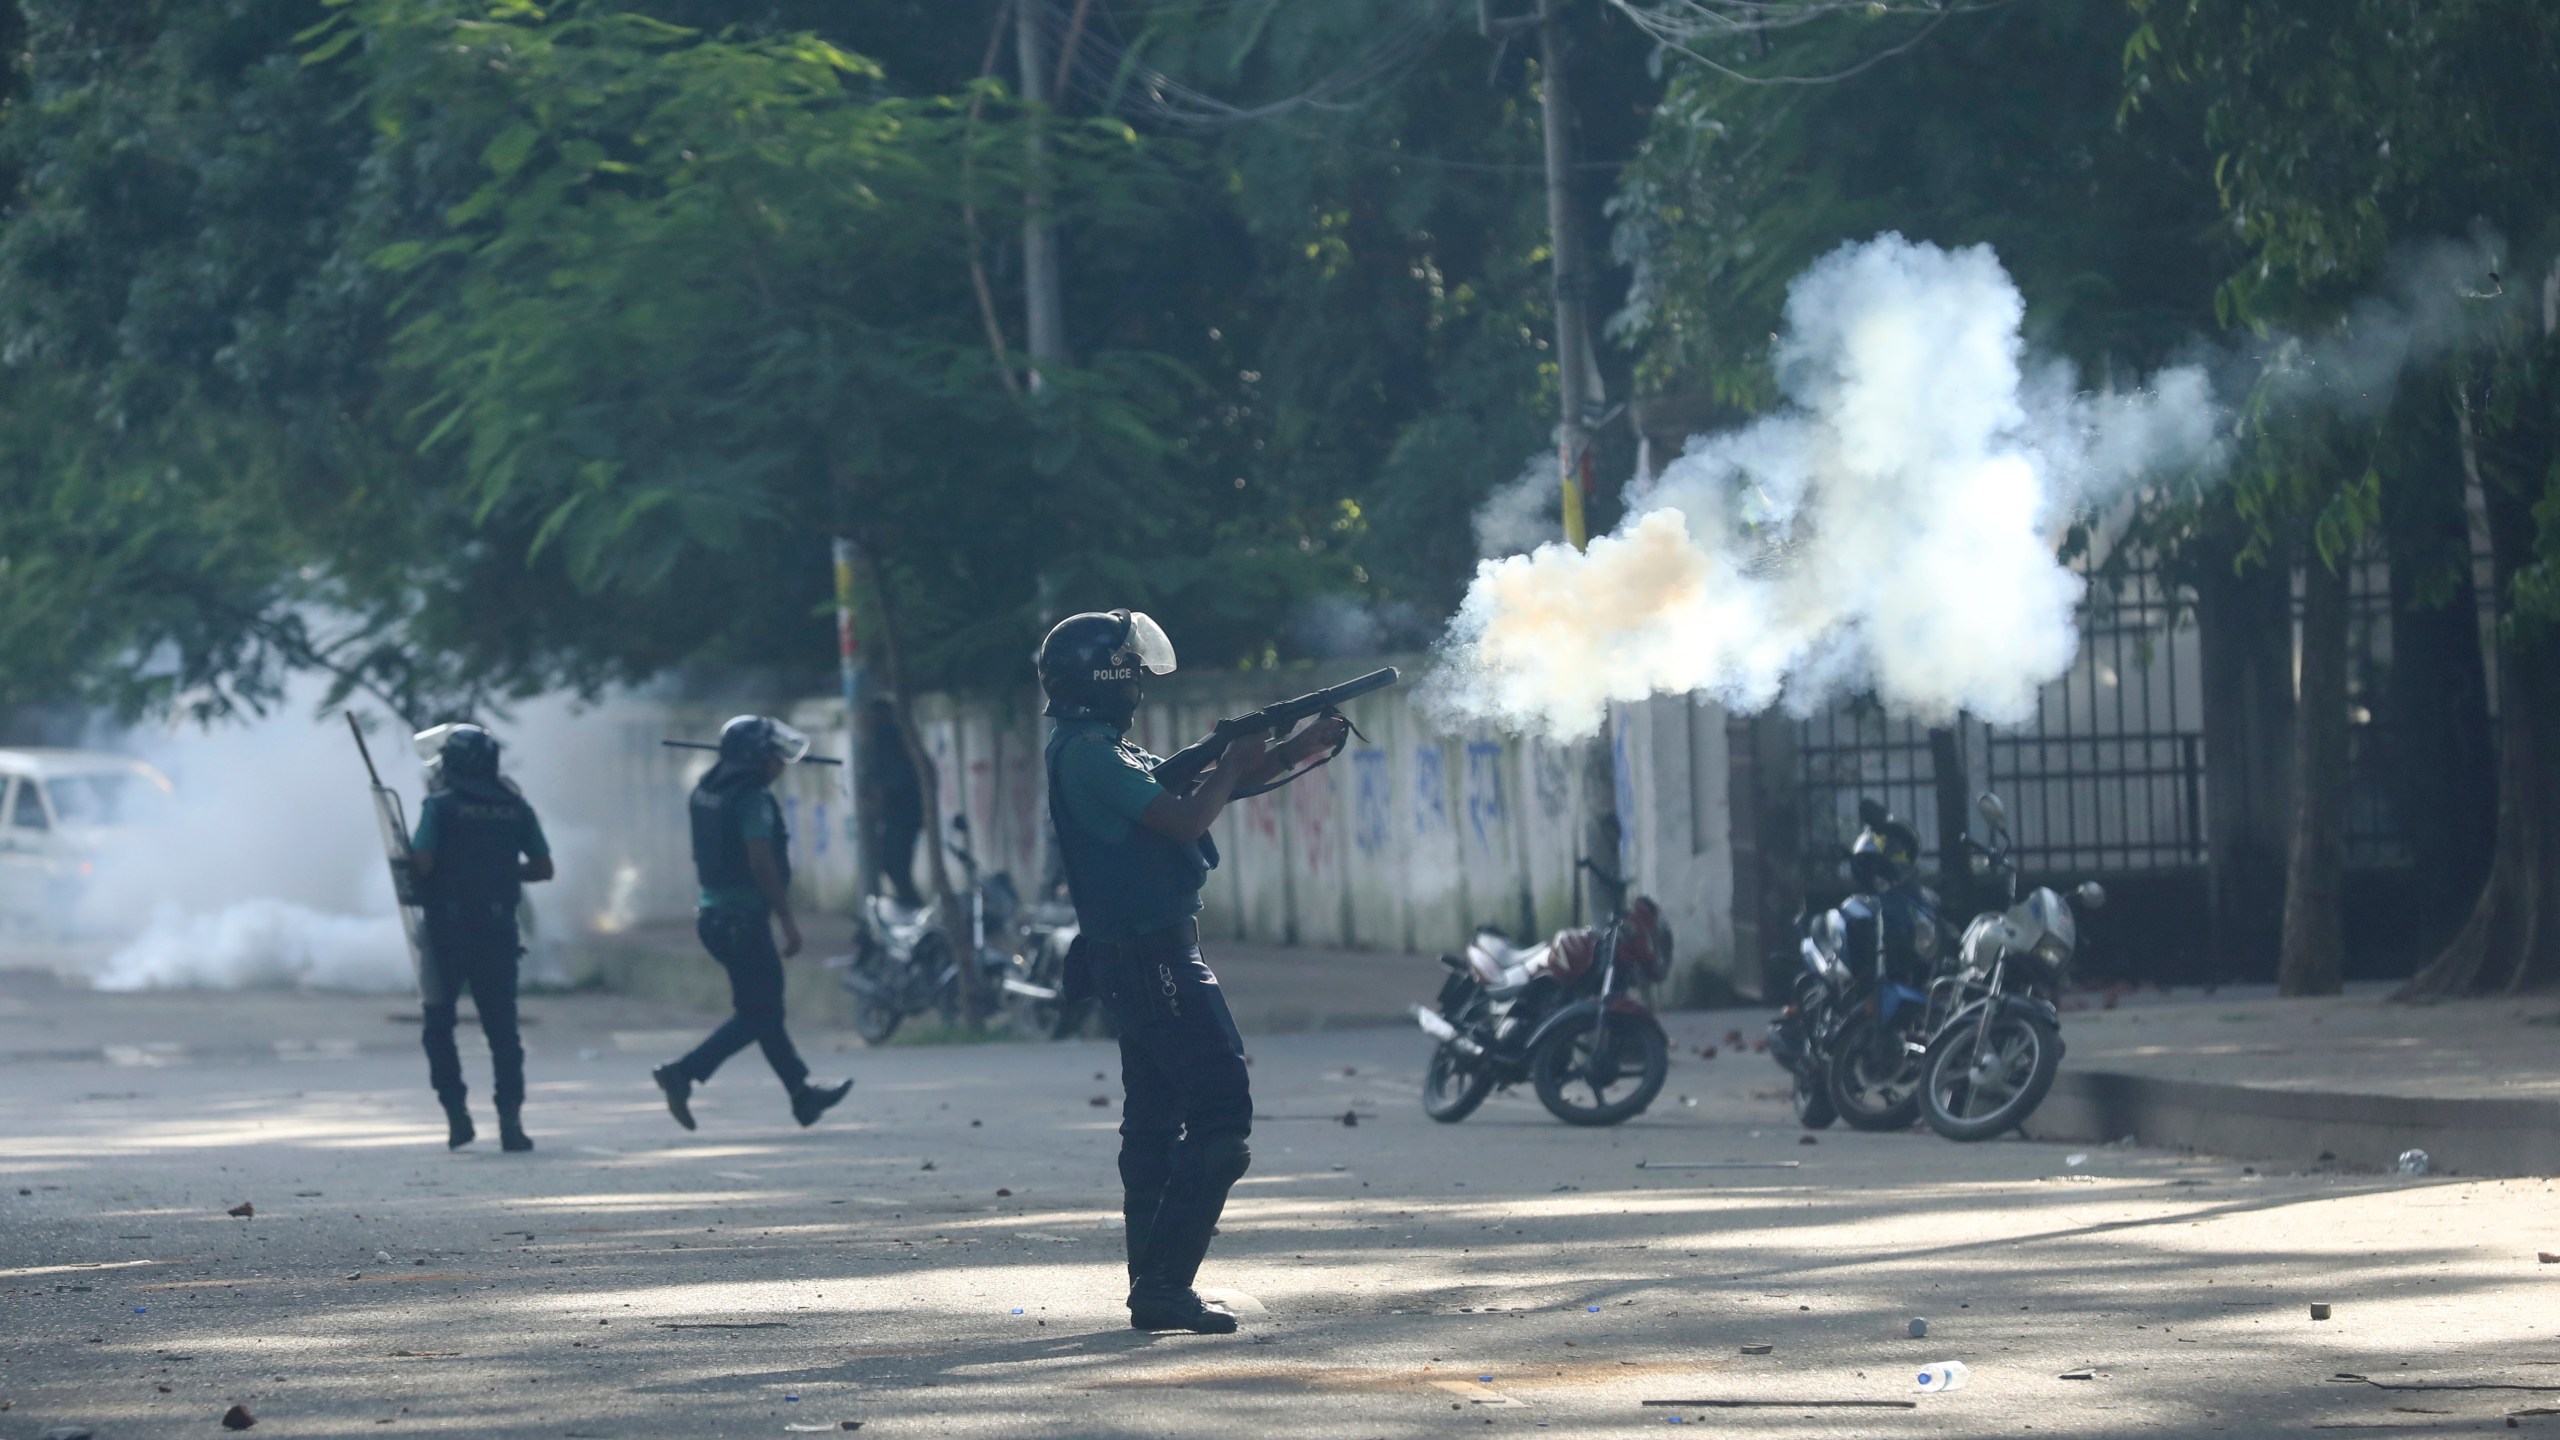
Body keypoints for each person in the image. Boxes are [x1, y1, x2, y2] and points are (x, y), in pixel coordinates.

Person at [1038, 609, 1349, 1334]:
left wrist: (1295, 749)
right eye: (1132, 670)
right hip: (1153, 957)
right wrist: (1235, 759)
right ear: (1109, 677)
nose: (1141, 683)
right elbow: (1183, 820)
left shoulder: (1099, 749)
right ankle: (1165, 1285)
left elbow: (1204, 792)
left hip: (1143, 957)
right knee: (1220, 1114)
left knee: (1153, 1121)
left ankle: (1154, 1283)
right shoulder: (1088, 754)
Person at [652, 715, 853, 1131]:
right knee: (760, 1014)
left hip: (712, 918)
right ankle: (683, 1072)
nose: (779, 764)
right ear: (755, 759)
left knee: (763, 1009)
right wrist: (787, 919)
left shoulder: (707, 789)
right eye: (772, 756)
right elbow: (761, 860)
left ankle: (802, 1096)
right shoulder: (752, 799)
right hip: (743, 920)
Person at [407, 723, 553, 1153]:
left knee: (438, 1025)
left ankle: (457, 1115)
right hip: (497, 932)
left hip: (445, 933)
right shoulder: (515, 807)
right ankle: (511, 1121)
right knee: (502, 1031)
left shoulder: (439, 807)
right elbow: (543, 868)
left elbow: (423, 862)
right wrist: (502, 871)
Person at [865, 699, 924, 907]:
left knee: (895, 863)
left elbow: (890, 779)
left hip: (901, 812)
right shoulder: (890, 736)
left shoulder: (886, 737)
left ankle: (912, 905)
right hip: (902, 812)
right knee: (893, 863)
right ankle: (909, 903)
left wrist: (878, 805)